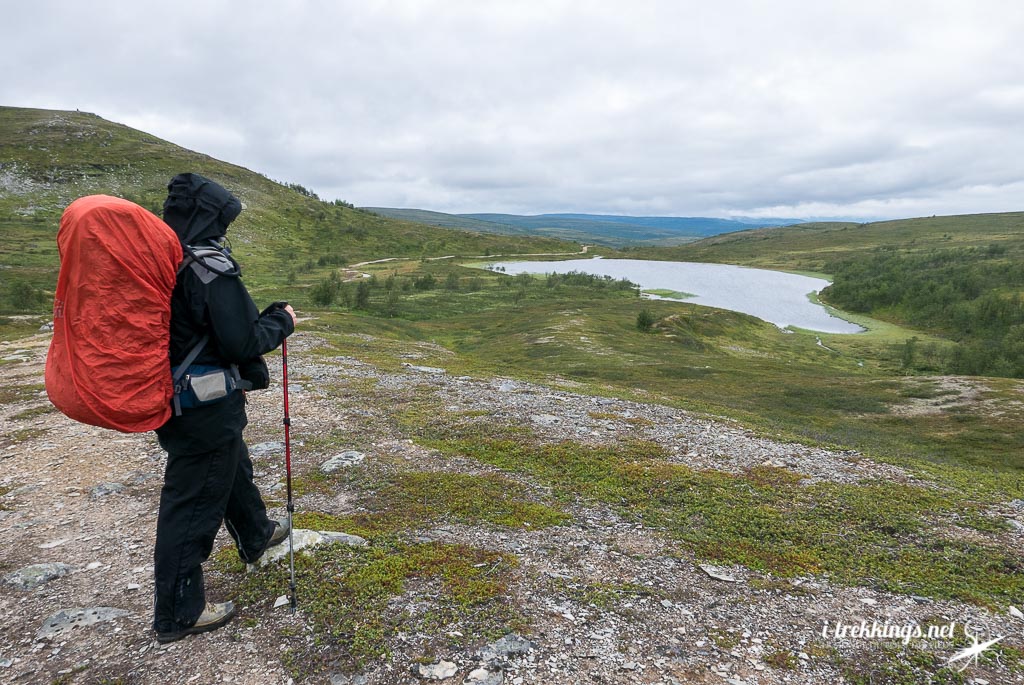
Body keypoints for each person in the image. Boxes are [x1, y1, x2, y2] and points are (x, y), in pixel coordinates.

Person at [152, 173, 296, 644]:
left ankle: (256, 533)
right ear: (213, 216)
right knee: (192, 501)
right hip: (202, 402)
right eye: (224, 219)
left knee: (230, 462)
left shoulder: (164, 258)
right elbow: (241, 341)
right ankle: (178, 612)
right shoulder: (207, 266)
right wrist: (282, 321)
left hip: (180, 397)